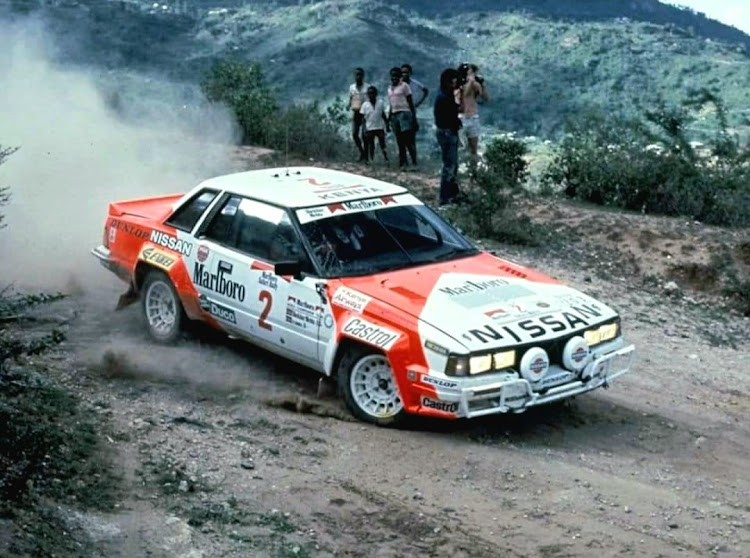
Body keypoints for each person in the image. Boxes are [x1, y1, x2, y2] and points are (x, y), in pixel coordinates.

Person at [434, 68, 461, 206]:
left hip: (446, 132)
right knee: (449, 166)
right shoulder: (445, 97)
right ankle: (445, 199)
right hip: (448, 132)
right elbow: (453, 114)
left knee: (452, 165)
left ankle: (453, 194)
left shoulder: (443, 94)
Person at [387, 66, 417, 171]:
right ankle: (403, 162)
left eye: (396, 76)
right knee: (399, 140)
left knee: (407, 139)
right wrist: (388, 119)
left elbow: (410, 102)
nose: (394, 78)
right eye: (392, 76)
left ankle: (414, 162)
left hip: (404, 113)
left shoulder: (404, 86)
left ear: (399, 77)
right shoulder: (389, 88)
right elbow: (391, 104)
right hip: (395, 115)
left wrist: (414, 117)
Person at [457, 63, 489, 159]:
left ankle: (473, 169)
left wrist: (482, 85)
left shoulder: (474, 84)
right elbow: (465, 94)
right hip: (461, 118)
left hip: (473, 117)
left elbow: (485, 98)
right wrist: (470, 81)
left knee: (473, 148)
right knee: (461, 147)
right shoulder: (458, 85)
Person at [401, 63, 429, 167]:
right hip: (400, 111)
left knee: (411, 138)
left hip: (410, 111)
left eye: (406, 72)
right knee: (401, 139)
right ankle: (404, 161)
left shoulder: (414, 84)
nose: (404, 74)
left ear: (410, 73)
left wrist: (417, 103)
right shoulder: (398, 84)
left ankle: (414, 161)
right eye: (403, 72)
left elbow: (425, 91)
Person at [360, 85, 390, 164]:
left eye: (373, 93)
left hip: (379, 127)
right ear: (367, 95)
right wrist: (364, 129)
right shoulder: (365, 105)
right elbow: (363, 119)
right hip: (370, 127)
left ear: (376, 94)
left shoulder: (380, 103)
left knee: (382, 144)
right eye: (369, 94)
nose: (371, 95)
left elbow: (383, 114)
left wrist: (387, 124)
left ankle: (386, 159)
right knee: (371, 144)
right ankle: (371, 160)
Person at [348, 67, 370, 162]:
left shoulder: (367, 87)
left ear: (363, 76)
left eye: (360, 74)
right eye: (357, 74)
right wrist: (349, 105)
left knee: (365, 136)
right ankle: (362, 153)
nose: (358, 76)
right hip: (356, 112)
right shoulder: (352, 87)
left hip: (365, 114)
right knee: (354, 134)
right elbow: (351, 97)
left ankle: (366, 157)